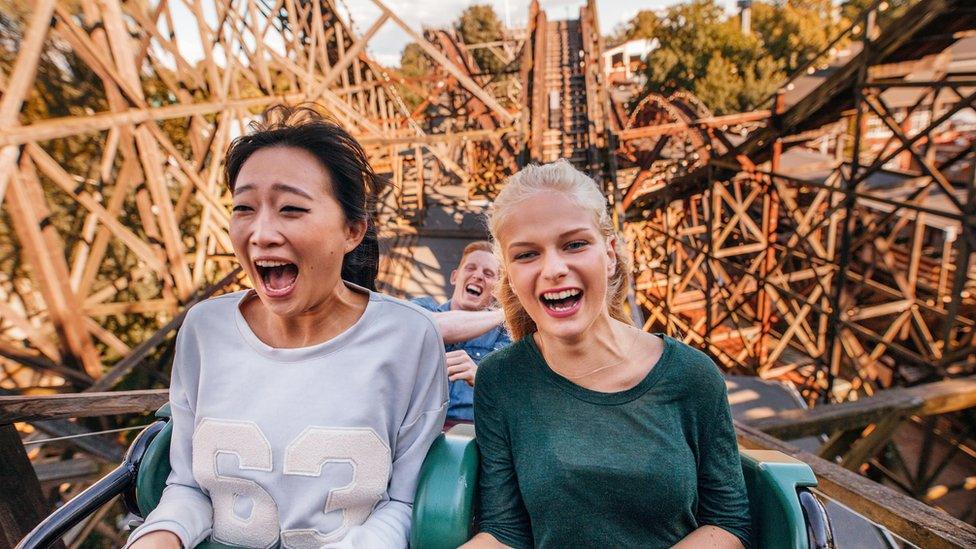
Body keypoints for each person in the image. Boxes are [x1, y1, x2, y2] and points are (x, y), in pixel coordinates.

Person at [126, 105, 447, 549]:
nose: (261, 233)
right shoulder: (204, 330)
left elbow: (405, 503)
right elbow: (189, 487)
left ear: (352, 230)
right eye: (243, 208)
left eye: (291, 209)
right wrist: (158, 536)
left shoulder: (409, 337)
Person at [463, 159, 751, 548]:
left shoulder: (692, 374)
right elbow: (505, 530)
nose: (553, 269)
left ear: (610, 253)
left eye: (575, 244)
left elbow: (729, 521)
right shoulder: (501, 380)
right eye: (527, 254)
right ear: (509, 275)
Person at [413, 242, 511, 423]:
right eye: (470, 268)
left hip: (469, 434)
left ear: (496, 290)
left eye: (488, 274)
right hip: (414, 430)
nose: (478, 276)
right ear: (454, 277)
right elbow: (435, 327)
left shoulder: (503, 336)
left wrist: (481, 379)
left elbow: (511, 397)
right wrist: (507, 312)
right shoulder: (422, 308)